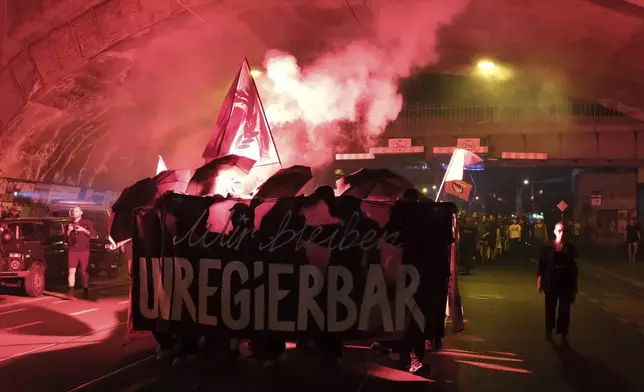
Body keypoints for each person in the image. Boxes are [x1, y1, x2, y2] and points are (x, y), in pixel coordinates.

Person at [537, 222, 578, 346]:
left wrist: (575, 287)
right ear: (554, 232)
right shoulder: (548, 247)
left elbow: (574, 268)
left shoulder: (570, 248)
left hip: (566, 283)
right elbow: (542, 264)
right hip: (551, 281)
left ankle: (563, 334)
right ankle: (549, 331)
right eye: (559, 231)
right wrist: (540, 280)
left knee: (565, 310)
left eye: (563, 231)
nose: (561, 233)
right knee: (550, 308)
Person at [66, 206, 96, 299]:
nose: (74, 213)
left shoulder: (87, 222)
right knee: (71, 271)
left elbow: (93, 235)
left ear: (81, 212)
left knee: (83, 272)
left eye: (76, 211)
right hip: (73, 250)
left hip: (84, 251)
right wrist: (69, 231)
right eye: (73, 211)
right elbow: (67, 239)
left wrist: (83, 229)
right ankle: (71, 291)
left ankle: (85, 289)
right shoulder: (70, 224)